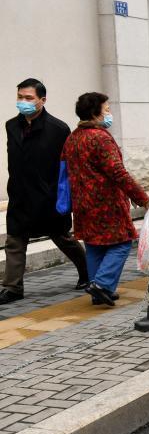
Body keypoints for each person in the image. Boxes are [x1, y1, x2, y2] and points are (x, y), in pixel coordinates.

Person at [1, 78, 88, 304]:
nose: (23, 102)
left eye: (29, 98)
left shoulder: (58, 129)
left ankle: (87, 272)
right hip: (20, 195)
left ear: (42, 100)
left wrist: (65, 195)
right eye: (20, 97)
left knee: (62, 237)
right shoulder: (11, 125)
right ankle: (12, 288)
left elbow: (67, 167)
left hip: (48, 196)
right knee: (15, 240)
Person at [63, 92, 149, 306]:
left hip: (83, 203)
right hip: (106, 204)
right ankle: (102, 285)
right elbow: (118, 172)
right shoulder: (100, 137)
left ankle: (98, 291)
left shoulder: (73, 137)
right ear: (95, 113)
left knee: (94, 246)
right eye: (107, 109)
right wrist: (140, 196)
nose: (110, 113)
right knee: (121, 243)